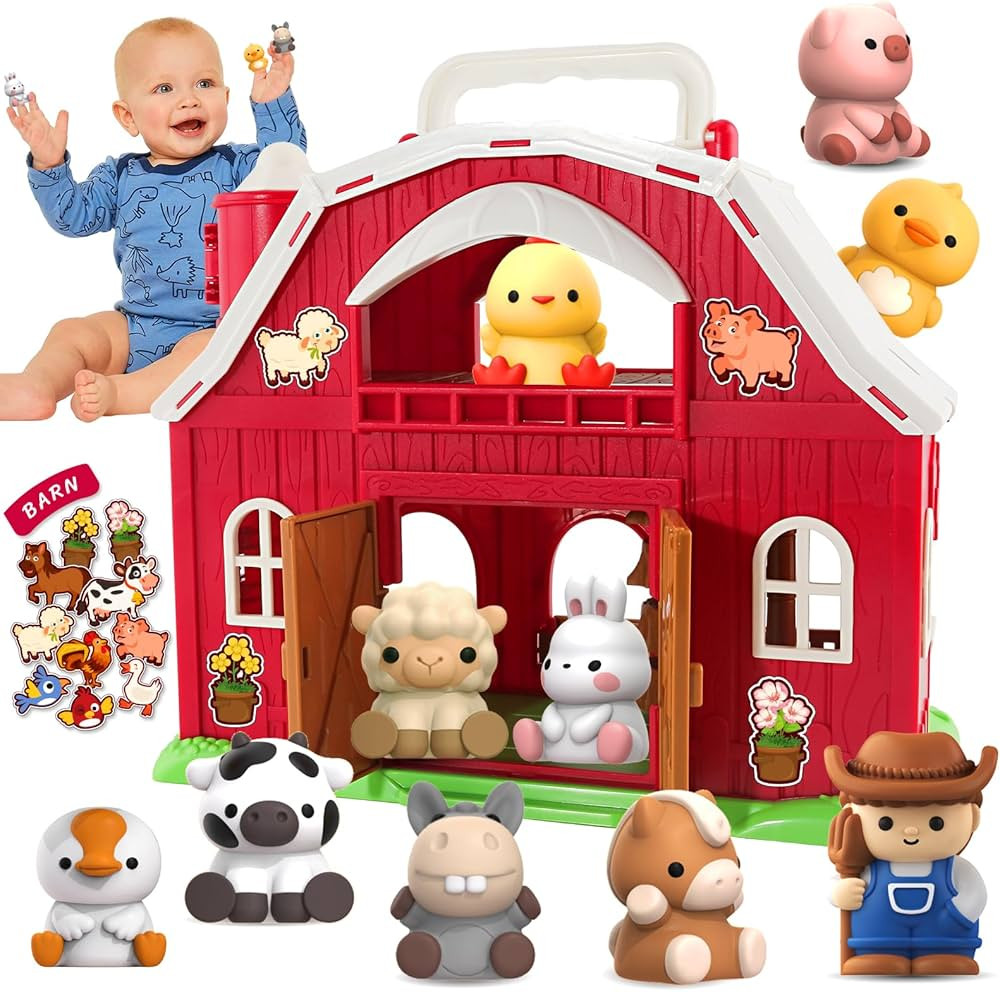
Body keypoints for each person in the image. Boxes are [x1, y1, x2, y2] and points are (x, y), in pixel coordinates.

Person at [2, 17, 306, 421]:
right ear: (128, 117)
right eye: (165, 89)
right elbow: (73, 217)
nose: (189, 100)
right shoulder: (119, 176)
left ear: (226, 97)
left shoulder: (237, 167)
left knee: (210, 354)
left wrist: (271, 103)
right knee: (74, 332)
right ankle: (36, 385)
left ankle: (120, 394)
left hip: (213, 330)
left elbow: (285, 165)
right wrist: (49, 163)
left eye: (204, 83)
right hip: (135, 326)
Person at [826, 731, 996, 976]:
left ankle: (946, 956)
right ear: (849, 815)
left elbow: (975, 894)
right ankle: (876, 957)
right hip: (878, 942)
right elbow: (837, 886)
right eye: (886, 823)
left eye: (936, 823)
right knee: (879, 961)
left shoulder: (956, 869)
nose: (911, 830)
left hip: (945, 940)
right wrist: (839, 892)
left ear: (973, 817)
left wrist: (959, 914)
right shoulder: (864, 867)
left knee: (943, 961)